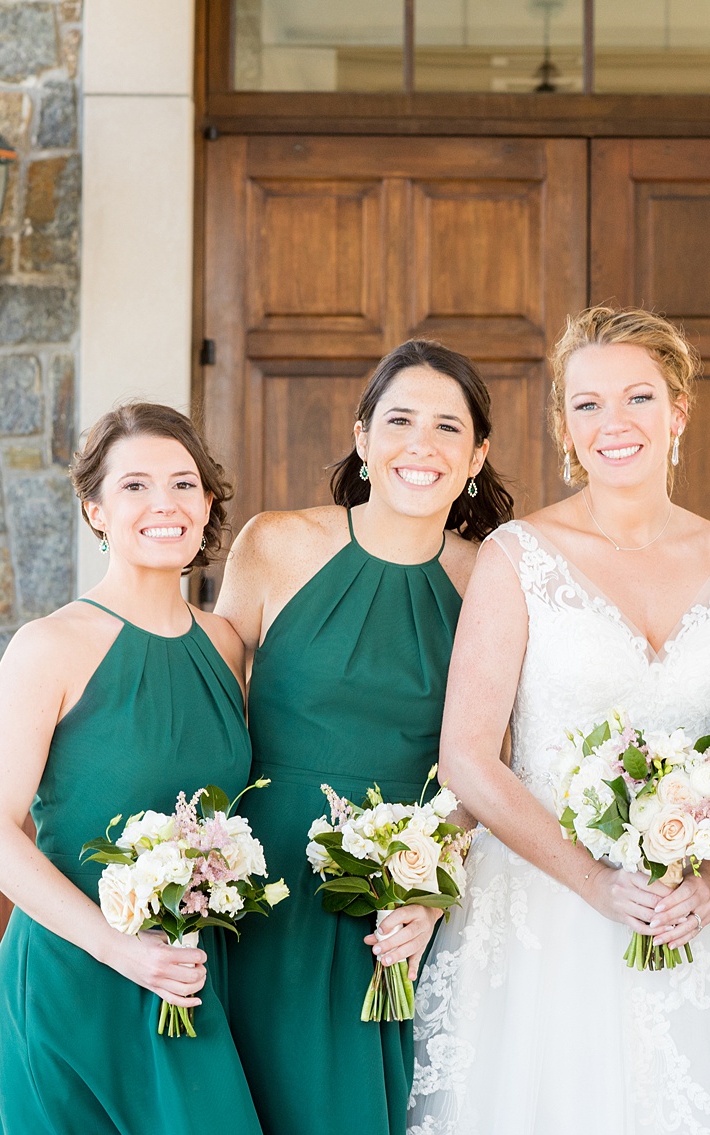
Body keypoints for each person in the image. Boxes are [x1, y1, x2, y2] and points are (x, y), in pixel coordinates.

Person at [407, 307, 710, 1135]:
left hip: (687, 914)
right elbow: (468, 754)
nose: (616, 424)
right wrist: (599, 883)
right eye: (589, 404)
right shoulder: (517, 557)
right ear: (566, 428)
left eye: (638, 398)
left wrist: (709, 881)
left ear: (678, 413)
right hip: (544, 909)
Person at [216, 340, 513, 1135]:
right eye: (401, 419)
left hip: (384, 900)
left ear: (477, 454)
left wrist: (428, 881)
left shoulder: (493, 576)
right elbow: (202, 703)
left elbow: (494, 764)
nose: (423, 444)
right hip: (256, 885)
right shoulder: (273, 544)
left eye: (448, 427)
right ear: (363, 437)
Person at [0, 403, 262, 1133]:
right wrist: (117, 945)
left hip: (190, 975)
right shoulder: (50, 645)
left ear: (208, 504)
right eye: (135, 486)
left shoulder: (226, 645)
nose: (165, 503)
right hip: (74, 980)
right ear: (95, 509)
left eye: (184, 483)